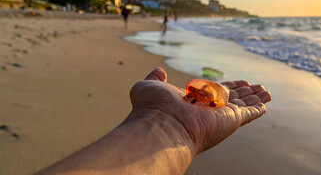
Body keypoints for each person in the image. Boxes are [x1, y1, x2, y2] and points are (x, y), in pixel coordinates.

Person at [37, 67, 271, 175]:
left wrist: (167, 125)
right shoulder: (193, 94)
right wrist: (169, 124)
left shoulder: (201, 95)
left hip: (218, 97)